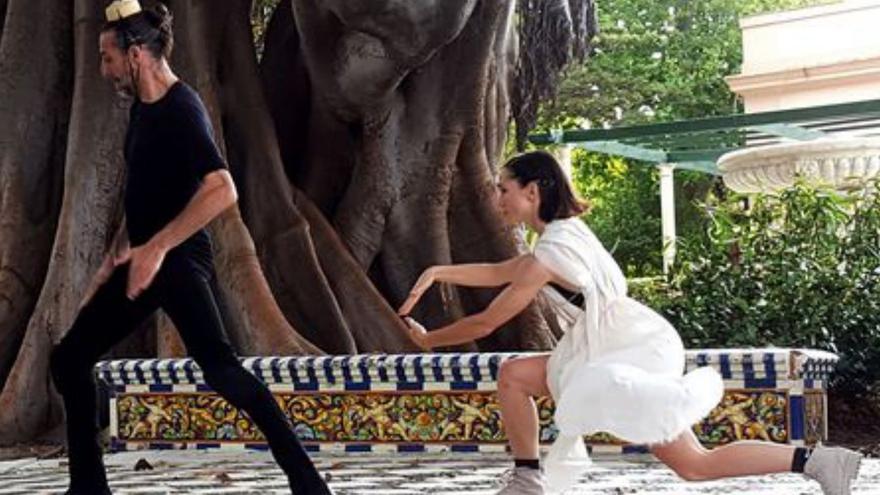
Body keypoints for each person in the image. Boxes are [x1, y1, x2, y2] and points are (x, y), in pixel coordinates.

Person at [397, 150, 862, 495]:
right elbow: (503, 272)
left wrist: (430, 340)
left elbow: (486, 321)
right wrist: (438, 271)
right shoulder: (564, 236)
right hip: (620, 342)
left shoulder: (553, 250)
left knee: (692, 463)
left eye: (504, 188)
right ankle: (528, 476)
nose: (497, 197)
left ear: (532, 192)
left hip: (618, 353)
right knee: (517, 376)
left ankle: (818, 461)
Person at [49, 2, 332, 494]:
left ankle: (307, 483)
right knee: (70, 358)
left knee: (222, 371)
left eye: (107, 57)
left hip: (179, 264)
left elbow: (222, 188)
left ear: (135, 54)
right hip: (143, 261)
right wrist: (117, 256)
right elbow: (144, 193)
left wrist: (157, 248)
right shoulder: (141, 109)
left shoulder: (182, 108)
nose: (103, 70)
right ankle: (88, 486)